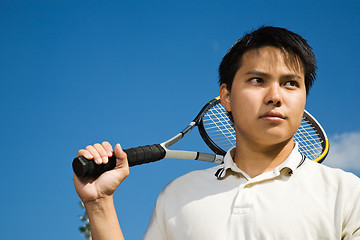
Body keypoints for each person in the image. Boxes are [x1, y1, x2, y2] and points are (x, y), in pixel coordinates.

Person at [73, 26, 360, 239]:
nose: (275, 96)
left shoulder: (347, 193)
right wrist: (99, 205)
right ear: (227, 96)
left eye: (290, 84)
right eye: (258, 80)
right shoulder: (176, 196)